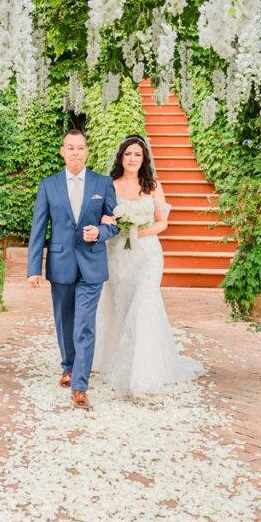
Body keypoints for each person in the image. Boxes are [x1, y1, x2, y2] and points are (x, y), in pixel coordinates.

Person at [94, 135, 202, 395]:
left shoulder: (153, 186)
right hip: (119, 255)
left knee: (144, 303)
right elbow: (103, 217)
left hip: (147, 255)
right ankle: (118, 359)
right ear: (121, 157)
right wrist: (118, 226)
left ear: (144, 159)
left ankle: (144, 369)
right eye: (128, 154)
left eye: (137, 155)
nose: (132, 159)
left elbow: (162, 222)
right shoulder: (110, 185)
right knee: (121, 304)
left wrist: (138, 232)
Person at [26, 130, 118, 410]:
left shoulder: (103, 183)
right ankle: (68, 366)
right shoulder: (49, 185)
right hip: (61, 263)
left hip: (92, 265)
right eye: (71, 148)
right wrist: (34, 268)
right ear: (62, 151)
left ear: (87, 151)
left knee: (84, 325)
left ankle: (80, 387)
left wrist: (100, 232)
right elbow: (38, 228)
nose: (76, 153)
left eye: (80, 148)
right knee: (64, 322)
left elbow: (114, 223)